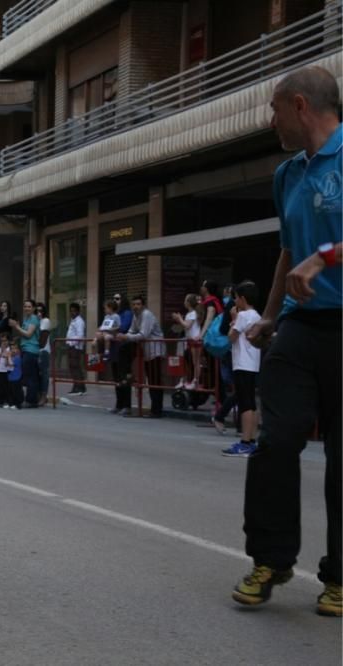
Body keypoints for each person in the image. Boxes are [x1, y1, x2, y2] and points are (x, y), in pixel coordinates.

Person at [231, 66, 341, 616]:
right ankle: (269, 559)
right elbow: (285, 250)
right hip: (301, 325)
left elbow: (315, 251)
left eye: (273, 109)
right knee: (276, 441)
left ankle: (340, 577)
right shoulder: (286, 175)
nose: (268, 120)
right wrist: (271, 316)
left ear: (300, 106)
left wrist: (326, 256)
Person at [221, 281, 262, 457]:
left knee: (245, 403)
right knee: (251, 402)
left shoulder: (244, 316)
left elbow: (231, 337)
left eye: (236, 298)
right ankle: (252, 440)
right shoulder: (257, 316)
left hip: (242, 363)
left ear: (243, 299)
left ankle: (245, 442)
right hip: (253, 363)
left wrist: (233, 319)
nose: (235, 301)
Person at [116, 294, 165, 418]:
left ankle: (157, 410)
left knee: (155, 380)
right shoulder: (136, 316)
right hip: (147, 352)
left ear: (143, 305)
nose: (136, 307)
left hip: (155, 351)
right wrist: (124, 335)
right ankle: (155, 409)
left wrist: (126, 337)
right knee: (151, 380)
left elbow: (143, 334)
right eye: (134, 304)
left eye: (138, 304)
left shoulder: (146, 315)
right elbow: (132, 330)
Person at [6, 299, 41, 407]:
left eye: (29, 307)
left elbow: (29, 334)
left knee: (28, 376)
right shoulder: (26, 319)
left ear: (34, 308)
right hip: (25, 349)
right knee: (30, 375)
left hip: (31, 350)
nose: (26, 308)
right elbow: (24, 334)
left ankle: (31, 400)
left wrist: (16, 326)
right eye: (25, 306)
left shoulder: (34, 319)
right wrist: (17, 338)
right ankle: (31, 399)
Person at [171, 293, 203, 390]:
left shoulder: (192, 314)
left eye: (185, 300)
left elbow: (187, 325)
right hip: (190, 340)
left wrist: (179, 318)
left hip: (195, 340)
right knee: (190, 361)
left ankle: (195, 381)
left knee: (196, 362)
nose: (184, 302)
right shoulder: (191, 313)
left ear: (188, 303)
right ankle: (187, 380)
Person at [110, 295, 135, 416]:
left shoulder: (127, 313)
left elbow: (124, 327)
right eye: (114, 299)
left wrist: (111, 329)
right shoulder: (113, 314)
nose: (115, 301)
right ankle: (118, 404)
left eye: (118, 299)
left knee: (124, 377)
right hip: (114, 348)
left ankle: (127, 405)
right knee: (117, 378)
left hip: (124, 348)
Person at [65, 302, 86, 396]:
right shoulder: (73, 320)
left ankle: (79, 387)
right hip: (71, 346)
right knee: (72, 367)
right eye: (71, 311)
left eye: (74, 311)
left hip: (75, 347)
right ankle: (77, 386)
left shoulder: (79, 321)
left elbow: (80, 335)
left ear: (78, 311)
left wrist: (72, 344)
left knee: (75, 366)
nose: (72, 313)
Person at [36, 302, 53, 406]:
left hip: (43, 351)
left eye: (41, 311)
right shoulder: (35, 321)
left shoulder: (45, 321)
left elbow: (42, 337)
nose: (39, 313)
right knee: (38, 374)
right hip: (36, 350)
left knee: (44, 374)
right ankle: (38, 395)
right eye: (37, 311)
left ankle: (43, 396)